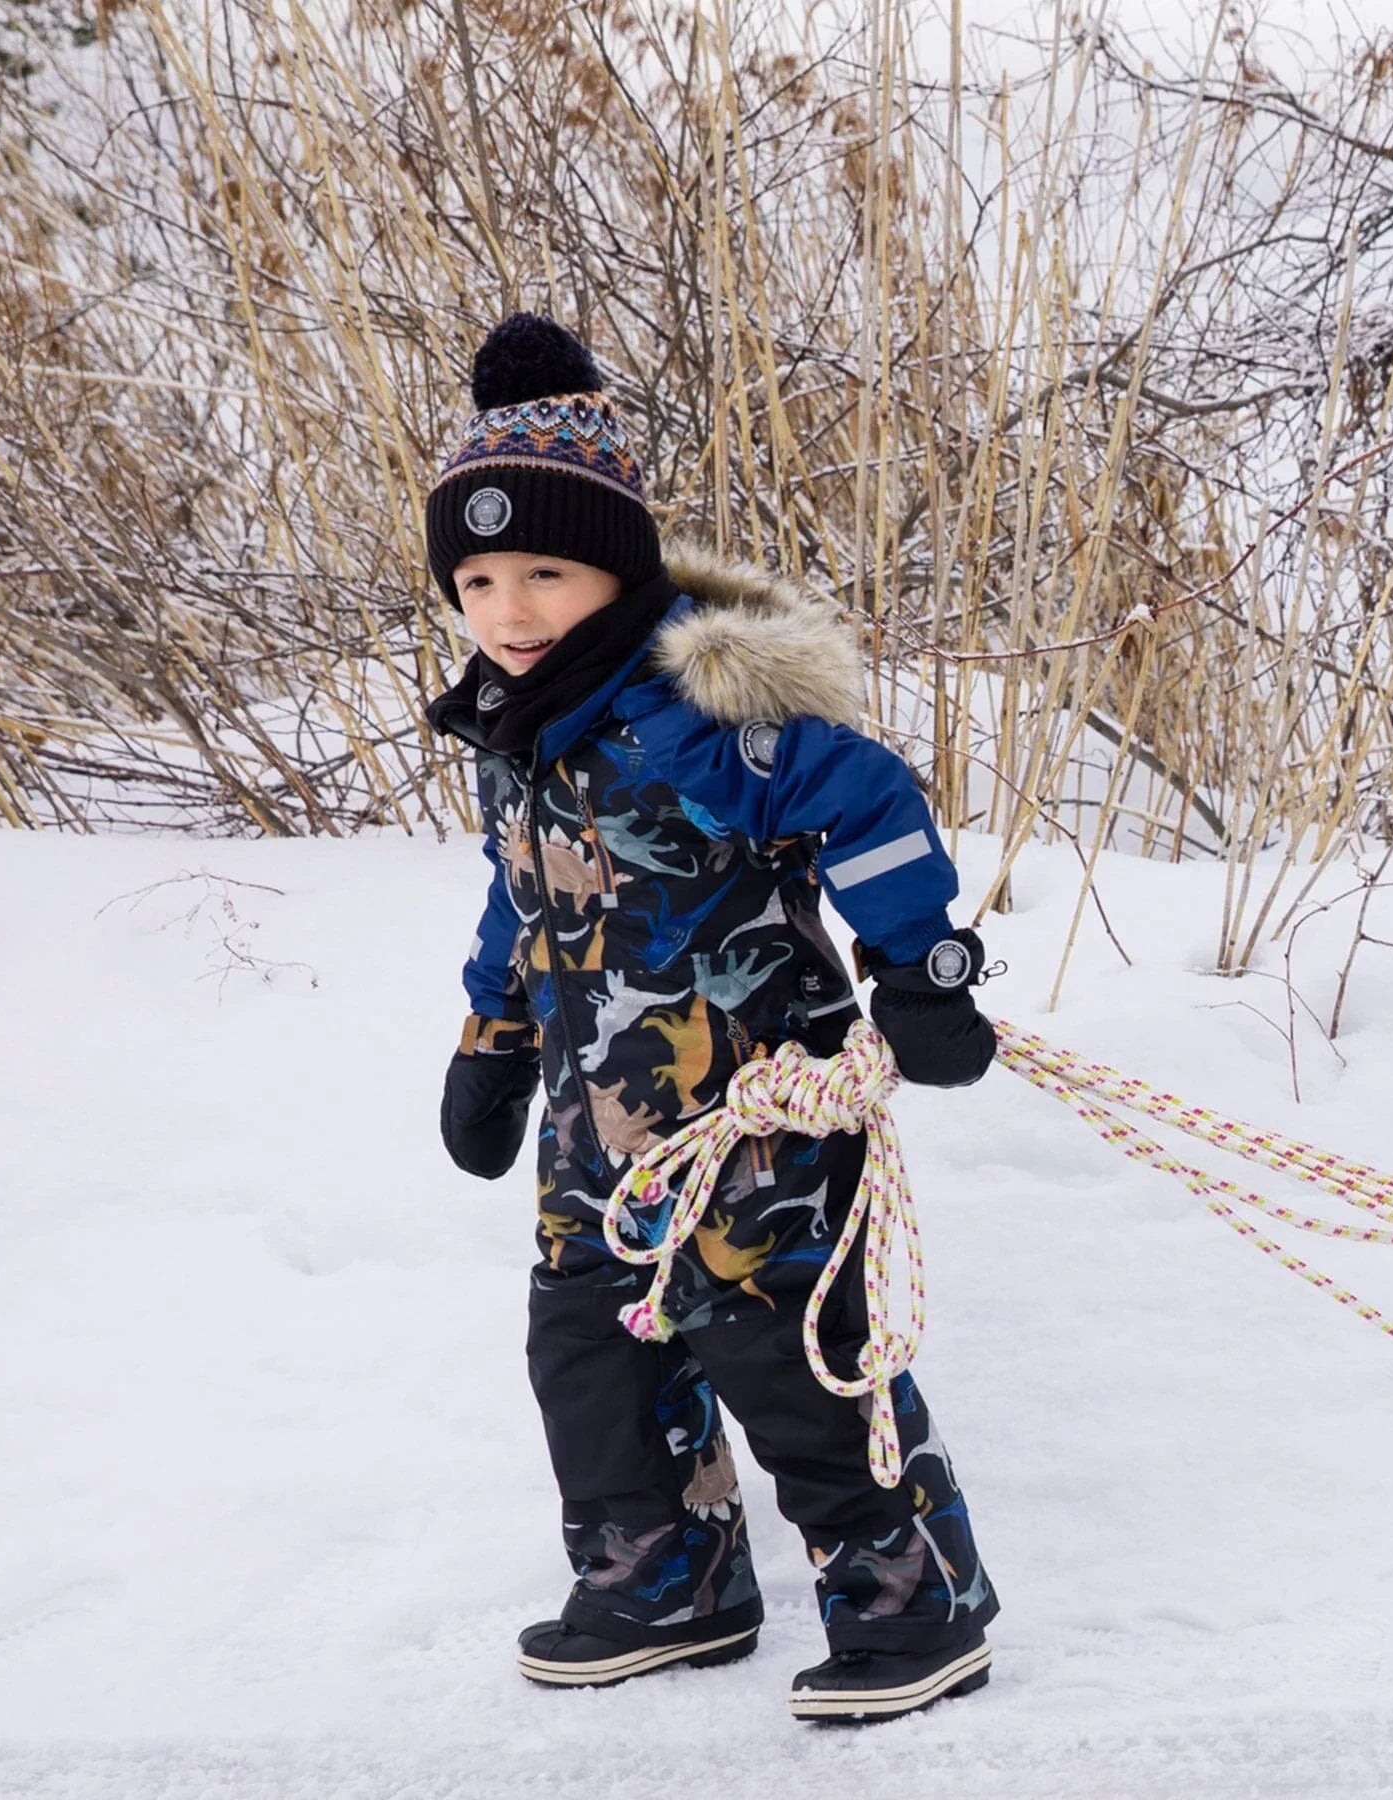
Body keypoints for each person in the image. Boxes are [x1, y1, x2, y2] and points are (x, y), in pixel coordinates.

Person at [424, 313, 1000, 1724]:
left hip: (754, 1111)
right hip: (594, 1122)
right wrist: (488, 1038)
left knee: (780, 1340)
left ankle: (915, 1600)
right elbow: (523, 897)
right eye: (478, 578)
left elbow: (866, 800)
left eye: (544, 574)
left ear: (614, 569)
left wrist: (921, 968)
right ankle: (661, 1575)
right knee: (586, 1340)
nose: (507, 609)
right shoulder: (524, 728)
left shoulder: (697, 710)